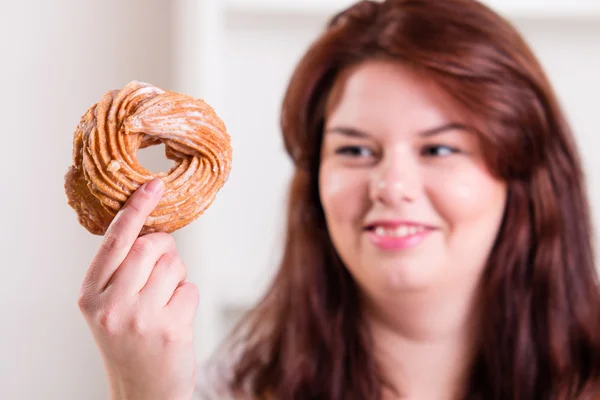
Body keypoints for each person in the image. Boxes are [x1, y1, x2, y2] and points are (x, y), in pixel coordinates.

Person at [77, 0, 600, 399]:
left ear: (523, 174)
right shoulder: (233, 389)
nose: (391, 185)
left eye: (439, 147)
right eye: (354, 149)